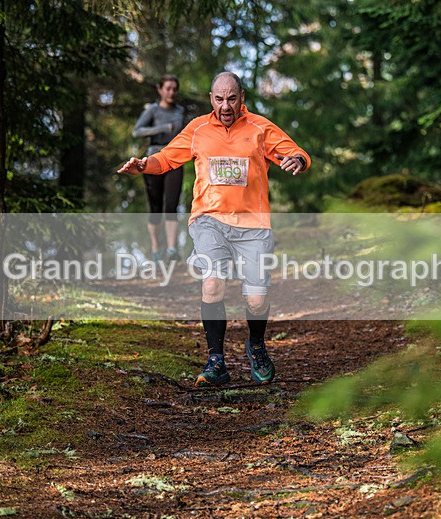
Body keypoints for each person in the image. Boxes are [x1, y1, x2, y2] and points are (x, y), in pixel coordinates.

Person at [118, 71, 310, 388]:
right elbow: (166, 159)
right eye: (219, 99)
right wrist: (144, 165)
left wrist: (298, 161)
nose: (225, 106)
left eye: (231, 99)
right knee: (212, 284)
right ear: (211, 99)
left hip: (253, 224)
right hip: (209, 220)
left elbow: (295, 152)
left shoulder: (260, 128)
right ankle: (216, 360)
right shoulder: (197, 129)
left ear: (242, 98)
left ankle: (257, 345)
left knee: (257, 299)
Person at [132, 74, 185, 262]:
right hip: (153, 160)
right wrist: (162, 128)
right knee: (155, 207)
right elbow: (137, 131)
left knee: (172, 205)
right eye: (168, 88)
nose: (171, 92)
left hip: (175, 159)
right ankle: (156, 247)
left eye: (174, 89)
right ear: (160, 89)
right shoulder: (153, 110)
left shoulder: (180, 111)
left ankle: (171, 250)